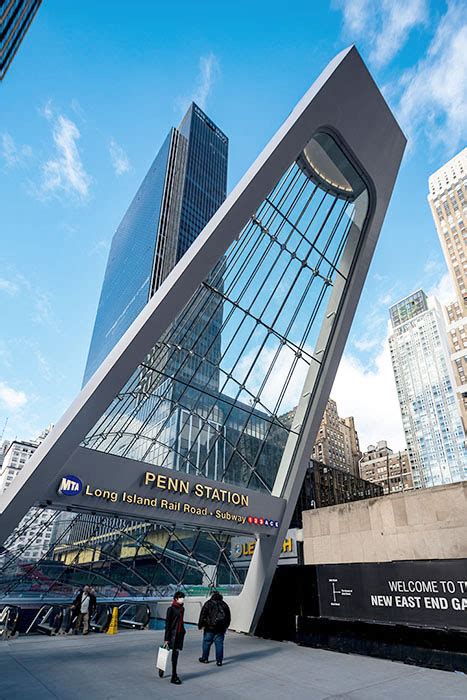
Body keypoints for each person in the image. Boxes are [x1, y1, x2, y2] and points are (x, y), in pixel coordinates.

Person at [198, 591, 231, 666]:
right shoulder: (224, 604)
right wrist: (225, 627)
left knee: (206, 643)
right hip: (220, 629)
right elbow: (228, 617)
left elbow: (203, 615)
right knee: (219, 644)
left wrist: (200, 625)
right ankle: (219, 661)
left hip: (209, 628)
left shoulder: (208, 603)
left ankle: (205, 658)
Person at [162, 591, 186, 685]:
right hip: (172, 634)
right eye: (181, 598)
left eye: (183, 597)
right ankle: (162, 668)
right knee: (166, 651)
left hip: (179, 634)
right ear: (176, 599)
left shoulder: (182, 608)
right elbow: (168, 624)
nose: (182, 599)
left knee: (175, 654)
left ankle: (174, 675)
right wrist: (166, 638)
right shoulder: (170, 609)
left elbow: (181, 621)